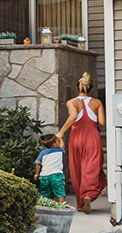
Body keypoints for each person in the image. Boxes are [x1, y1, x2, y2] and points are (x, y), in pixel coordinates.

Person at [57, 72, 107, 213]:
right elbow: (102, 122)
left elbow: (73, 116)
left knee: (77, 167)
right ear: (91, 89)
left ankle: (80, 203)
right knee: (92, 166)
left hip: (76, 137)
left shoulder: (72, 102)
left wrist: (61, 132)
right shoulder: (97, 102)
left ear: (77, 89)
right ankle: (88, 195)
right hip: (93, 137)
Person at [34, 134, 65, 200]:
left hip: (44, 175)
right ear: (54, 144)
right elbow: (63, 146)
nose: (59, 143)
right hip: (56, 174)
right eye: (57, 141)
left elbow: (38, 164)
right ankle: (61, 206)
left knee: (44, 193)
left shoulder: (43, 152)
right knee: (60, 192)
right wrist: (61, 138)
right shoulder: (59, 150)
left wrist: (37, 173)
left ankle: (44, 206)